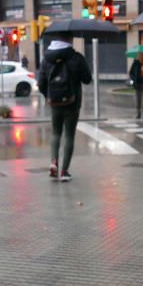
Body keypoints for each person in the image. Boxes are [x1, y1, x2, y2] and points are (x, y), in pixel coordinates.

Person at [37, 35, 92, 182]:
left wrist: (49, 95)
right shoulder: (76, 57)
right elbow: (87, 79)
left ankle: (54, 162)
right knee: (69, 135)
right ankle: (64, 171)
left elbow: (41, 83)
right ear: (68, 40)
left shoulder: (46, 59)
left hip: (54, 103)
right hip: (72, 103)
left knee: (56, 133)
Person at [129, 51, 143, 119]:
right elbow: (131, 73)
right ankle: (138, 113)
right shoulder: (135, 63)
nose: (141, 57)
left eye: (142, 55)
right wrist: (134, 79)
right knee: (138, 100)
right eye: (140, 55)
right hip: (137, 84)